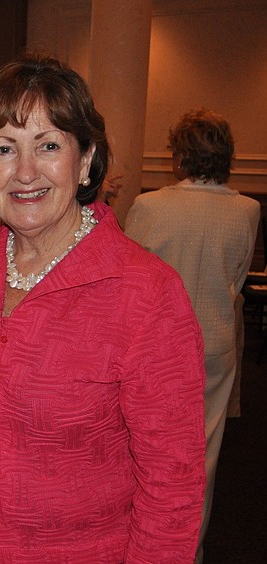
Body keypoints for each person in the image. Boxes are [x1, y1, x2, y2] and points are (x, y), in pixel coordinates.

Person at [0, 54, 206, 562]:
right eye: (4, 148)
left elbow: (173, 485)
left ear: (85, 160)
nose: (24, 172)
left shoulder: (147, 293)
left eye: (48, 145)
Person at [124, 108, 260, 563]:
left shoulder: (149, 206)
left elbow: (128, 278)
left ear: (179, 156)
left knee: (143, 448)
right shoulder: (248, 210)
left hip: (155, 347)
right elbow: (237, 281)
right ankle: (188, 551)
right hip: (216, 344)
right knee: (202, 457)